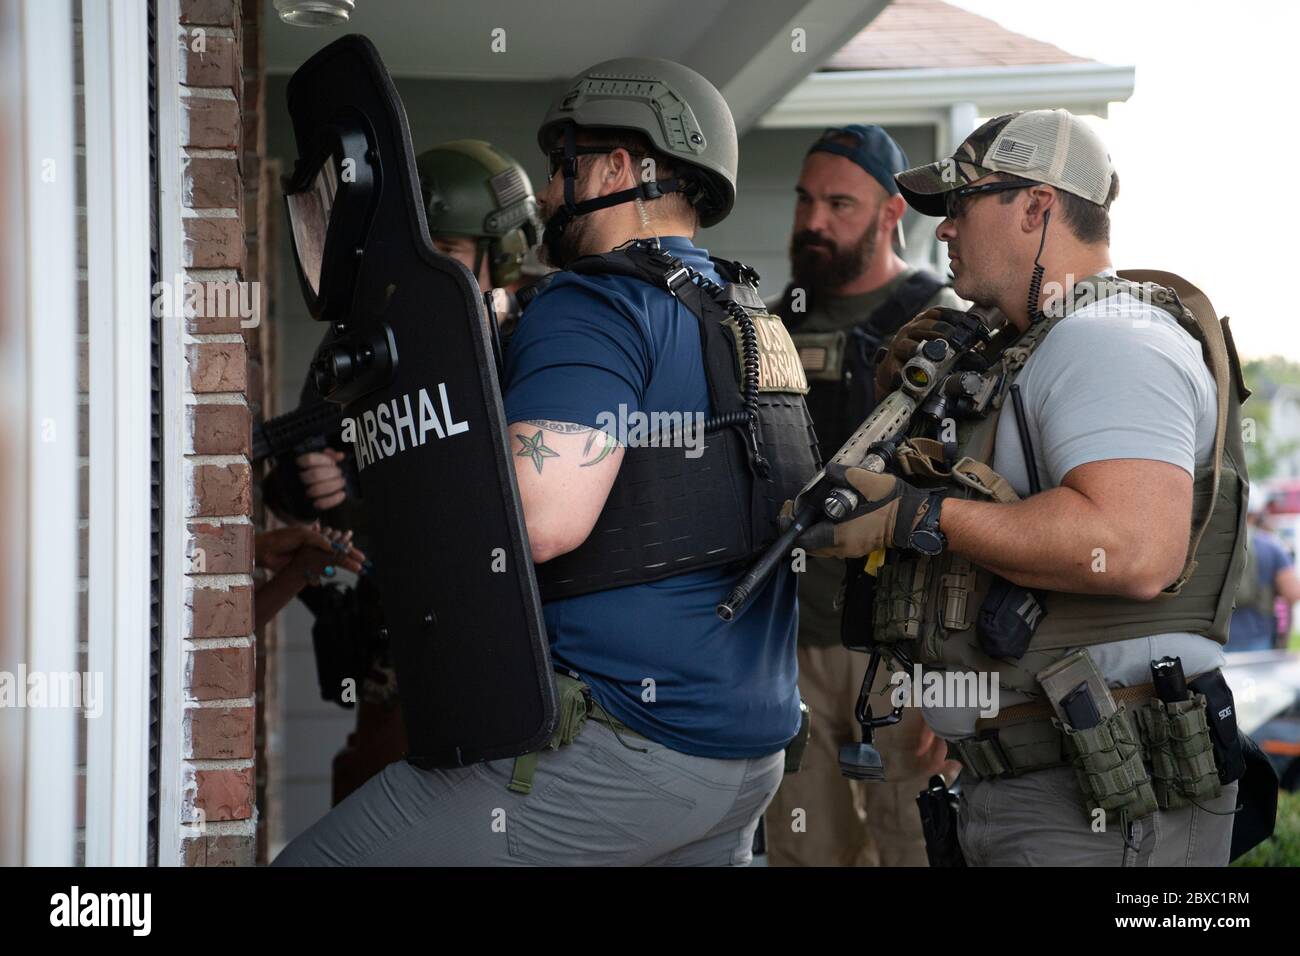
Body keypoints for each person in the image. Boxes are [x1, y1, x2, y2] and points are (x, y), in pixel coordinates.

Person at [273, 57, 819, 866]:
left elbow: (539, 519)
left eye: (564, 163)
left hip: (619, 750)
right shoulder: (740, 309)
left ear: (619, 168)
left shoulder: (593, 302)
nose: (551, 192)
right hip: (744, 757)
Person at [793, 108, 1247, 866]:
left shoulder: (1108, 342)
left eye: (962, 203)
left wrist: (914, 517)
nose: (943, 230)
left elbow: (1132, 547)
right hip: (1034, 778)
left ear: (1037, 206)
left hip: (1100, 791)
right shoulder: (1033, 346)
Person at [263, 138, 546, 803]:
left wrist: (365, 479)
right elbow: (294, 474)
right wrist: (317, 487)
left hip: (520, 648)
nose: (427, 278)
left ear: (499, 260)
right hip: (402, 654)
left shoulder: (541, 339)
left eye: (446, 257)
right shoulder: (370, 337)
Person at [766, 124, 962, 867]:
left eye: (839, 203)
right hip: (785, 646)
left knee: (917, 845)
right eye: (805, 200)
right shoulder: (767, 327)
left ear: (889, 214)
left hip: (904, 649)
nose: (814, 220)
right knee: (802, 851)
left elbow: (981, 501)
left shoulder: (942, 327)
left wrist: (960, 680)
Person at [1227, 494, 1300, 652]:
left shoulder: (1211, 543)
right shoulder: (1270, 545)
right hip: (1257, 633)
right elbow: (1293, 593)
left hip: (1213, 636)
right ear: (1255, 513)